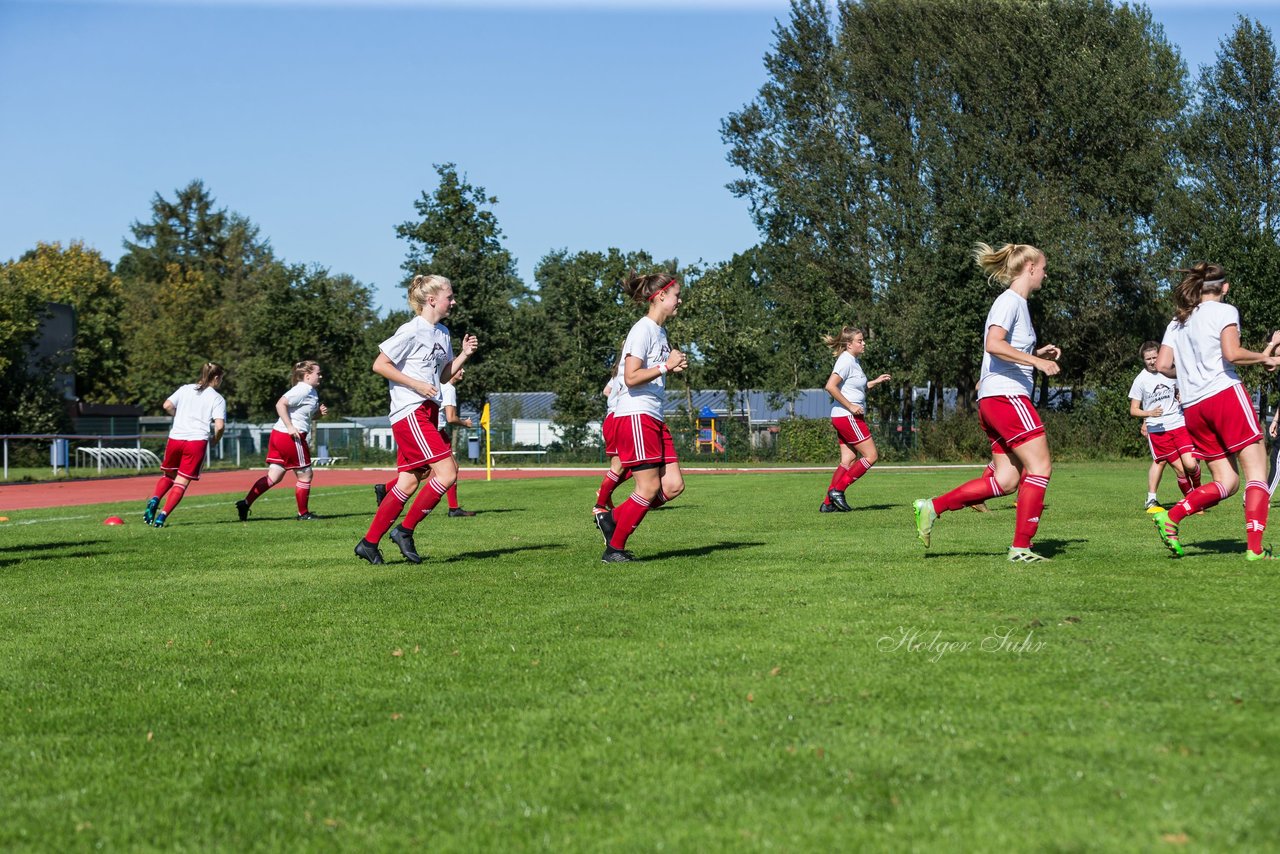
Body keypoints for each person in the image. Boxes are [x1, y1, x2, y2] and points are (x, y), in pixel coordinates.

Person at [913, 242, 1061, 562]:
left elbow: (1003, 353)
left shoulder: (1017, 305)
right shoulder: (1010, 301)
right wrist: (1035, 363)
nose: (1046, 274)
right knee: (1041, 467)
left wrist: (1034, 355)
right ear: (1030, 267)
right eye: (1044, 268)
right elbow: (994, 344)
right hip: (1007, 398)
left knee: (1007, 481)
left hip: (994, 400)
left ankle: (932, 507)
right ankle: (1021, 548)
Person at [1151, 263, 1280, 560]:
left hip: (1194, 407)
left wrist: (1187, 376)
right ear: (1225, 287)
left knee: (1227, 481)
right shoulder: (1225, 311)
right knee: (1257, 472)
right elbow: (1231, 353)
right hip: (1223, 395)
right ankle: (1255, 549)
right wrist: (1265, 357)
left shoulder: (1177, 320)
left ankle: (1172, 517)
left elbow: (1162, 366)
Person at [354, 274, 478, 565]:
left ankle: (369, 543)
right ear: (432, 299)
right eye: (450, 296)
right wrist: (417, 385)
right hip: (410, 410)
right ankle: (405, 530)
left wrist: (464, 355)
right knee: (447, 472)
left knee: (409, 482)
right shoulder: (411, 330)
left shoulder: (443, 332)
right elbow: (379, 365)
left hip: (426, 410)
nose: (454, 301)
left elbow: (445, 375)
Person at [593, 271, 688, 563]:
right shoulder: (643, 329)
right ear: (660, 296)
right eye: (676, 296)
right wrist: (665, 368)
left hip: (654, 415)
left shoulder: (659, 332)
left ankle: (612, 520)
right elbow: (632, 377)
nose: (679, 301)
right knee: (647, 487)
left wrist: (670, 366)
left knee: (672, 485)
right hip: (636, 414)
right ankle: (614, 549)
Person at [376, 369, 478, 517]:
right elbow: (450, 418)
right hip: (431, 431)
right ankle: (450, 509)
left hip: (433, 430)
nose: (462, 370)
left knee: (423, 473)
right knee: (444, 470)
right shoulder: (448, 388)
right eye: (459, 367)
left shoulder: (440, 385)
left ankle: (385, 489)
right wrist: (465, 423)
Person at [236, 360, 328, 522]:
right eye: (317, 373)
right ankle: (303, 514)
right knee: (305, 475)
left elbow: (303, 415)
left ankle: (245, 503)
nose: (320, 375)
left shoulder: (311, 391)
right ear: (307, 376)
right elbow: (281, 404)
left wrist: (318, 414)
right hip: (290, 436)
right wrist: (290, 427)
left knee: (274, 476)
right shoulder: (303, 389)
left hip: (280, 434)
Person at [143, 362, 227, 528]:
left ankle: (154, 500)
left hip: (176, 438)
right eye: (221, 378)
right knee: (181, 482)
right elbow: (220, 425)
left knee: (168, 476)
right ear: (216, 378)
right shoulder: (217, 398)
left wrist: (179, 415)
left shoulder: (185, 389)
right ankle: (162, 517)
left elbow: (167, 405)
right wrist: (216, 439)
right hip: (196, 441)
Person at [819, 326, 891, 512]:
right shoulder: (845, 361)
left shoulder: (854, 361)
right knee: (871, 456)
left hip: (844, 417)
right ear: (849, 344)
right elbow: (830, 386)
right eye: (860, 341)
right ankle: (838, 490)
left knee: (848, 460)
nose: (863, 343)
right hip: (848, 416)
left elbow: (853, 387)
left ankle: (828, 504)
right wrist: (850, 406)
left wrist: (874, 382)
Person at [1128, 341, 1200, 511]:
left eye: (1155, 357)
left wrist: (1182, 394)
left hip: (1179, 423)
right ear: (1143, 360)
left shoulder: (1171, 371)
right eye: (1148, 359)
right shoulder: (1140, 380)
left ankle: (1198, 489)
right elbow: (1133, 410)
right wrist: (1148, 415)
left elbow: (1184, 388)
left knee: (1190, 464)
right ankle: (1194, 501)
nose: (1152, 361)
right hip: (1159, 430)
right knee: (1180, 470)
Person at [592, 362, 632, 518]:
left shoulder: (619, 371)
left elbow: (606, 391)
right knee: (620, 465)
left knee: (635, 465)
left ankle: (605, 493)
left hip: (616, 416)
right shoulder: (629, 370)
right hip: (619, 417)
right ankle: (600, 505)